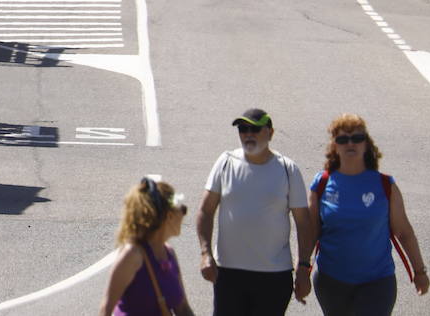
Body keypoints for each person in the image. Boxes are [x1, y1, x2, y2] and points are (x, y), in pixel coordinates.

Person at [197, 107, 313, 314]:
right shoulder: (225, 163)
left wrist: (304, 268)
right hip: (228, 273)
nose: (248, 134)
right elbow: (206, 210)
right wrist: (206, 253)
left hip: (274, 276)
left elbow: (303, 223)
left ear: (270, 132)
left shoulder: (287, 169)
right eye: (243, 129)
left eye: (255, 129)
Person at [309, 114, 428, 315]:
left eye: (357, 138)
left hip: (377, 282)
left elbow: (404, 232)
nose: (350, 144)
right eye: (342, 139)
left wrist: (419, 271)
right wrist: (303, 269)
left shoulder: (384, 185)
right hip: (331, 280)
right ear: (334, 146)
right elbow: (310, 231)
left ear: (366, 144)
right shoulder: (322, 183)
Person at [100, 176, 195, 315]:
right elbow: (105, 309)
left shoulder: (169, 254)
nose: (184, 214)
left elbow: (183, 309)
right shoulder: (132, 255)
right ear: (169, 215)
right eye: (183, 209)